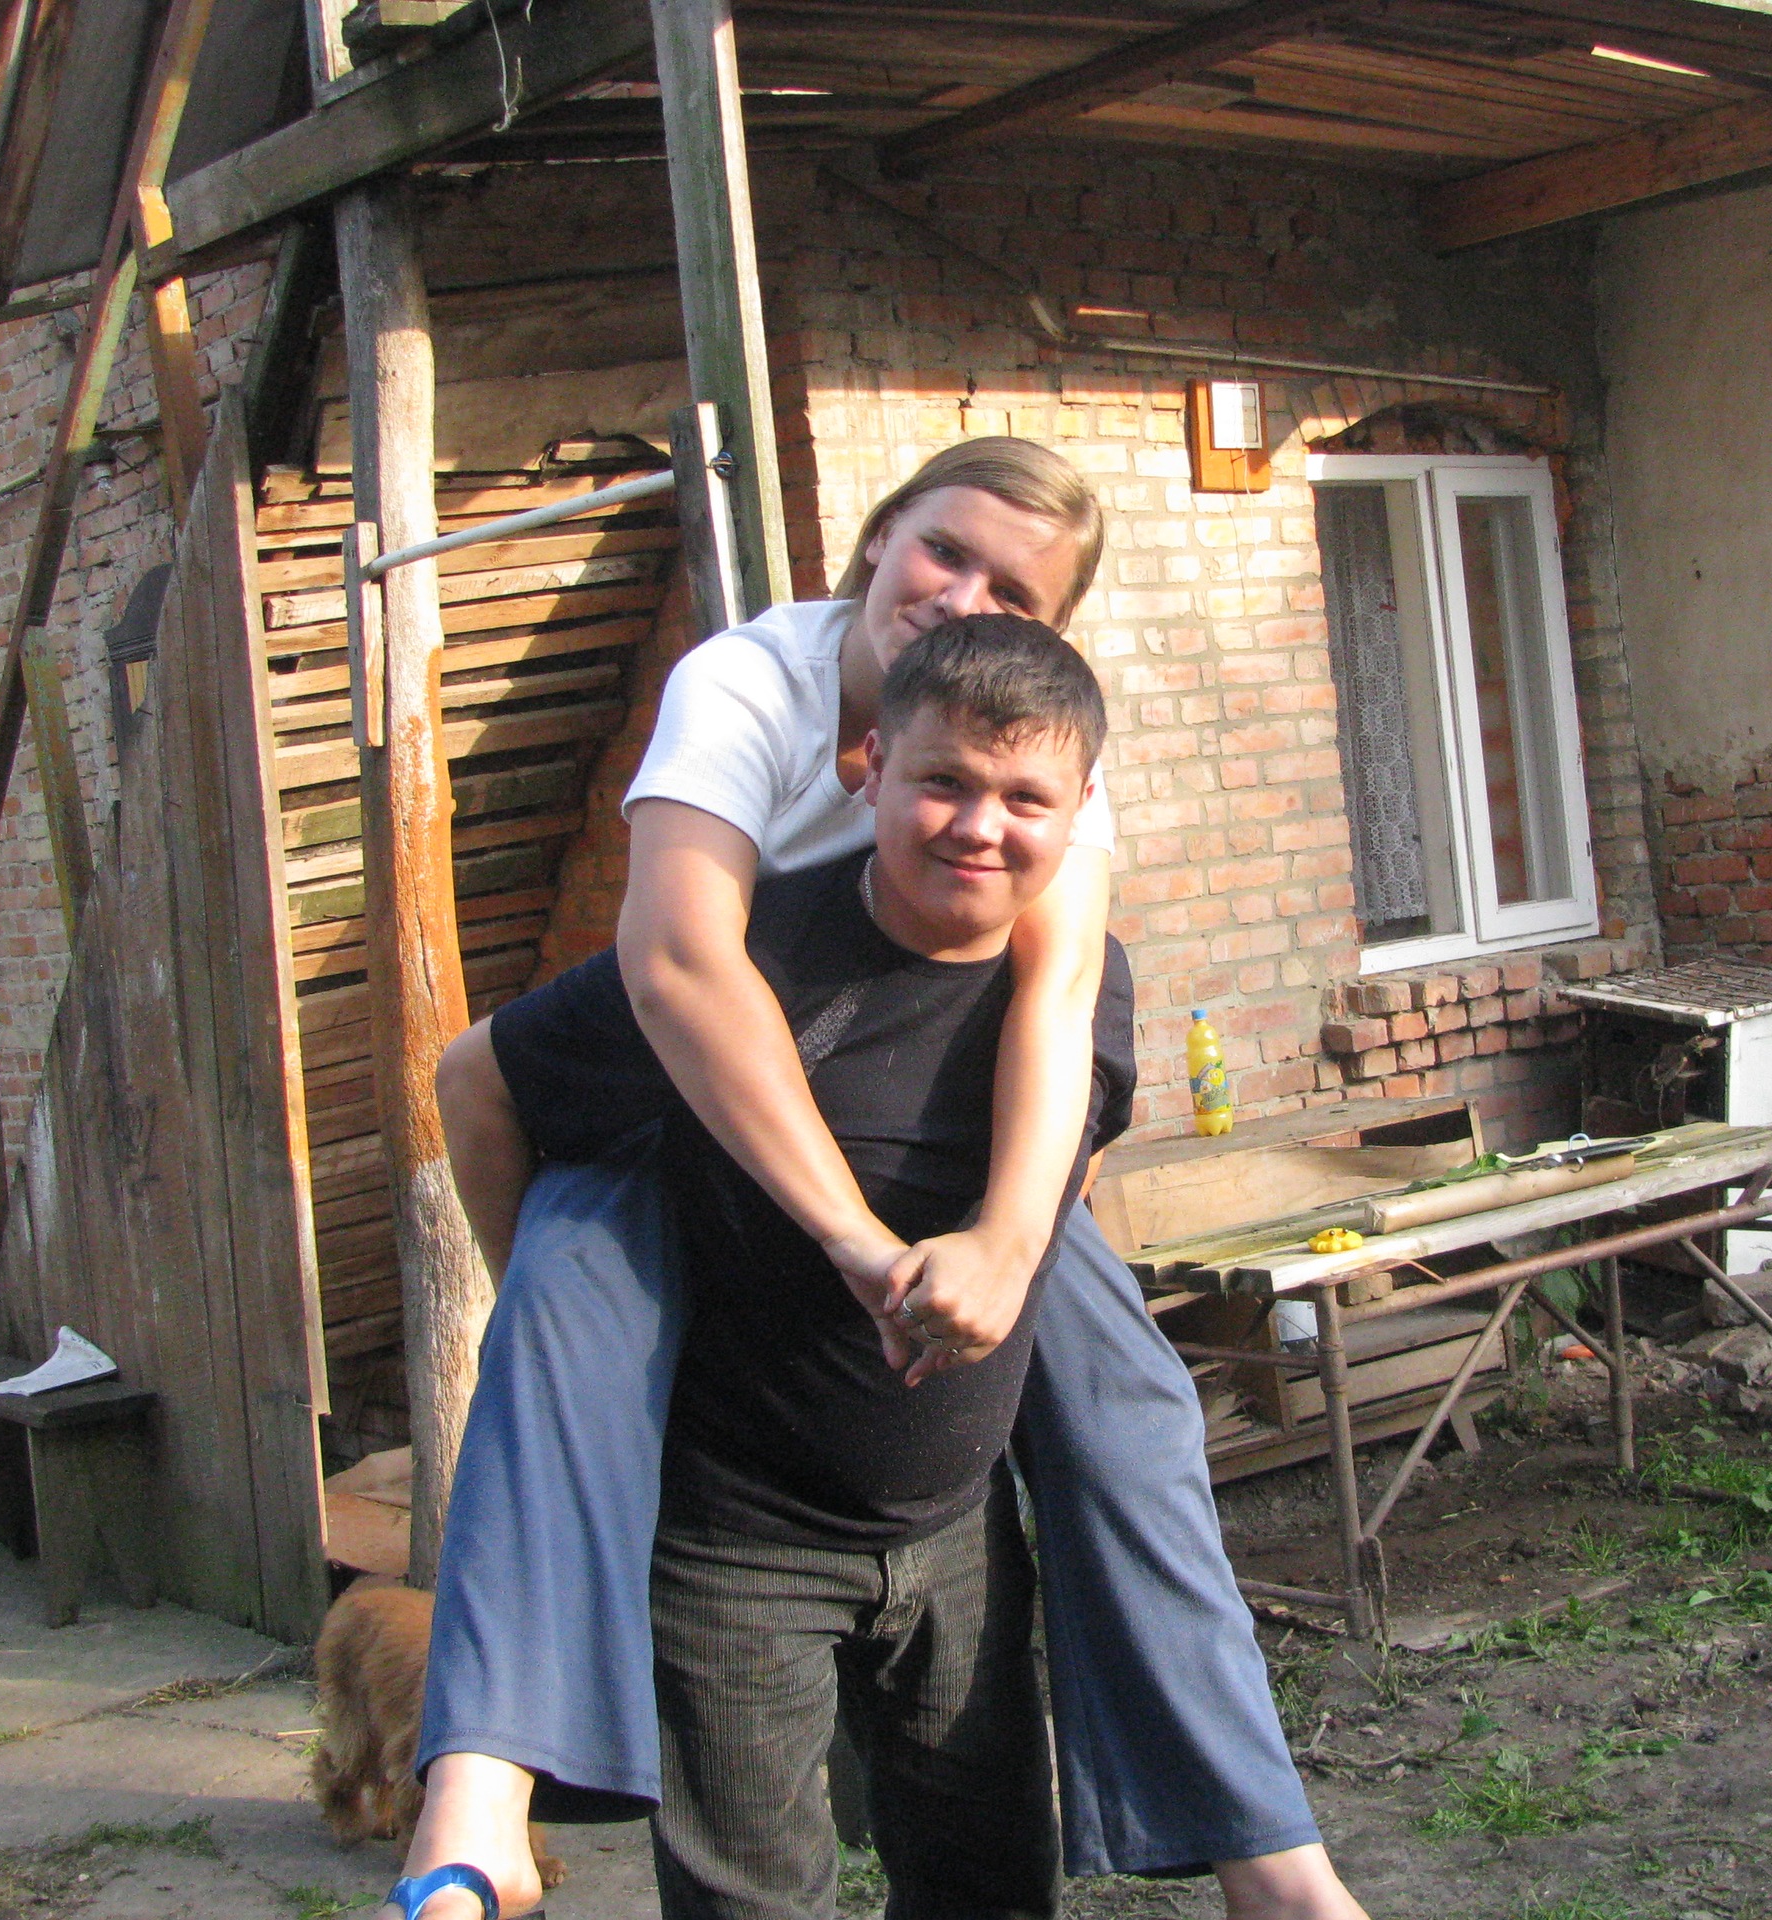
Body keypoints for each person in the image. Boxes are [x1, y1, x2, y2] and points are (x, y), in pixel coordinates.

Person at [389, 441, 1360, 1920]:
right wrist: (774, 1279)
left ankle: (1268, 1856)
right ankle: (480, 1790)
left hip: (921, 1111)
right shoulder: (749, 682)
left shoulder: (1035, 738)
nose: (962, 598)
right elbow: (677, 967)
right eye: (944, 550)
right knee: (568, 1316)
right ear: (875, 537)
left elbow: (1057, 994)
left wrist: (1009, 1240)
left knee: (1127, 1397)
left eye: (1014, 591)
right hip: (692, 1073)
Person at [506, 619, 1127, 1920]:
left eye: (1026, 799)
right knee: (754, 1906)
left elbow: (1074, 1173)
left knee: (992, 1893)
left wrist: (997, 1251)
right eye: (945, 781)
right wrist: (576, 1353)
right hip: (734, 1550)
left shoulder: (1079, 990)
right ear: (869, 768)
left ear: (1080, 816)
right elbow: (485, 1085)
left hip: (959, 1533)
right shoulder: (737, 966)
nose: (980, 827)